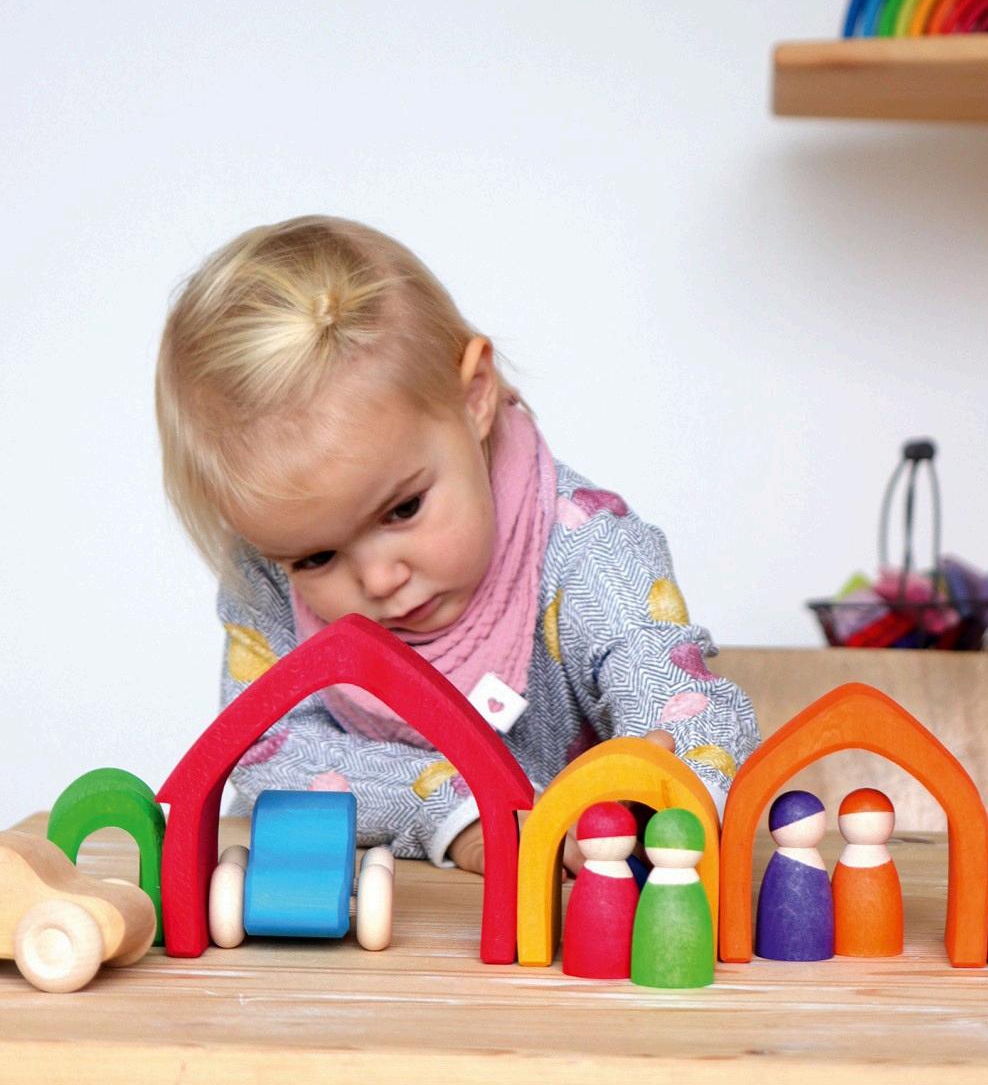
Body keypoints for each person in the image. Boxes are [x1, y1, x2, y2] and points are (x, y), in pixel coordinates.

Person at [155, 214, 760, 874]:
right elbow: (267, 750)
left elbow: (680, 697)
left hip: (567, 919)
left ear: (474, 398)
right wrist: (459, 808)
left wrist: (661, 794)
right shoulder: (270, 576)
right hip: (382, 920)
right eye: (317, 558)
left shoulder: (590, 549)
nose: (380, 579)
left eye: (403, 509)